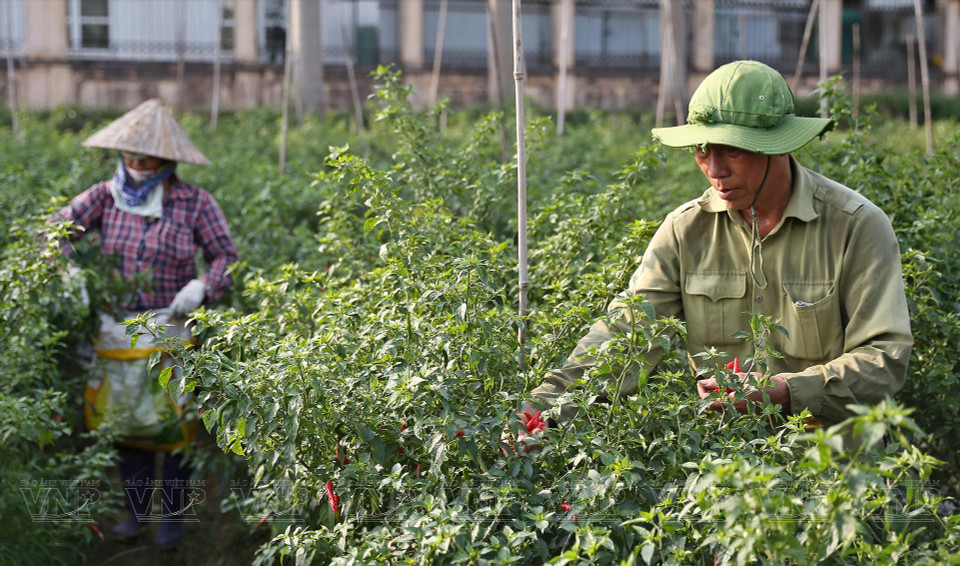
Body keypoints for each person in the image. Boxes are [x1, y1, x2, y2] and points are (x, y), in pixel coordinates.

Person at [517, 60, 912, 445]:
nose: (714, 168)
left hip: (831, 468)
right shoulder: (686, 230)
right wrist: (543, 408)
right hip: (719, 464)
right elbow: (626, 335)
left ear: (777, 147)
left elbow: (884, 357)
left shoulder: (855, 226)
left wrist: (783, 391)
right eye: (702, 149)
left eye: (733, 151)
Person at [53, 99, 238, 547]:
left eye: (147, 158)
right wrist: (68, 271)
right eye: (130, 156)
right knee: (126, 423)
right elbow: (53, 231)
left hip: (170, 328)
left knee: (171, 425)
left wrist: (201, 288)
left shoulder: (194, 203)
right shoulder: (103, 196)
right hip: (116, 329)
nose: (136, 165)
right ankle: (135, 516)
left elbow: (226, 258)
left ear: (168, 160)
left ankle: (171, 520)